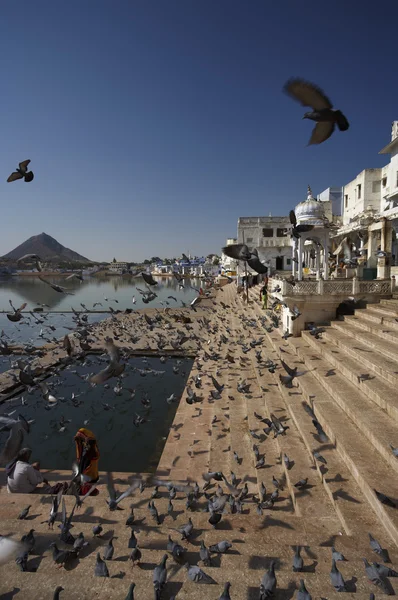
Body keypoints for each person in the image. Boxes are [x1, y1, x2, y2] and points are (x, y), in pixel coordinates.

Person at [74, 428, 100, 495]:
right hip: (85, 456)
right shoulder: (84, 442)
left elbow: (93, 454)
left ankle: (84, 480)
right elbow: (80, 446)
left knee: (86, 467)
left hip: (89, 459)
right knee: (82, 465)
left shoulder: (92, 444)